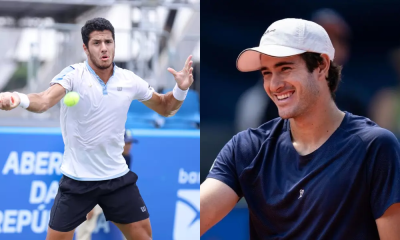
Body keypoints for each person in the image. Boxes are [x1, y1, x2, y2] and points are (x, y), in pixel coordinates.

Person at [200, 18, 400, 239]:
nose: (274, 84)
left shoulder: (376, 147)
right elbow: (192, 217)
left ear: (322, 66)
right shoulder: (246, 148)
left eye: (285, 68)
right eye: (266, 72)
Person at [0, 17, 194, 240]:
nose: (104, 48)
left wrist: (180, 90)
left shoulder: (129, 79)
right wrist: (17, 98)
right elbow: (44, 101)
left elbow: (165, 108)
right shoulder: (73, 75)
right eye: (97, 43)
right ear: (85, 48)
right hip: (77, 181)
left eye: (108, 42)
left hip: (117, 179)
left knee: (144, 237)